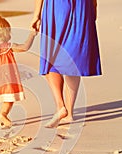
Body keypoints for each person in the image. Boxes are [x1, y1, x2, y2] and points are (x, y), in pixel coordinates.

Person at [31, 0, 102, 128]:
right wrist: (93, 7)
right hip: (83, 6)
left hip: (56, 6)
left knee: (51, 55)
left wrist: (36, 15)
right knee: (73, 57)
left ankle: (60, 106)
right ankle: (69, 113)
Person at [0, 16, 37, 129]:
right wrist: (32, 35)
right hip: (7, 79)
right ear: (7, 33)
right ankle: (3, 114)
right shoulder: (9, 46)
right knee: (9, 99)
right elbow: (25, 47)